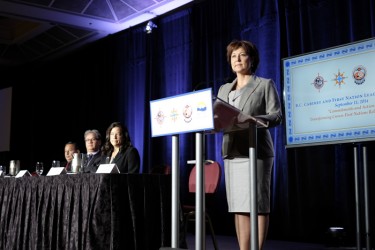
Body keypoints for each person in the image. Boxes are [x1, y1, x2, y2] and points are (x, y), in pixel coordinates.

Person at [216, 40, 282, 250]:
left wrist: (253, 120)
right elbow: (218, 117)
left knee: (258, 204)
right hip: (232, 151)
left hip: (257, 151)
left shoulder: (264, 84)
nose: (237, 59)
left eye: (242, 55)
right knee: (239, 206)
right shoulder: (224, 88)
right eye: (233, 56)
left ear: (251, 59)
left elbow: (277, 115)